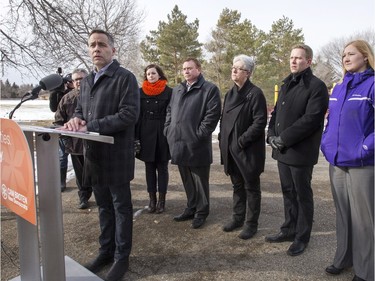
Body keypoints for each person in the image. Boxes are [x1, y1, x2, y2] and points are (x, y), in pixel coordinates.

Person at [62, 29, 139, 281]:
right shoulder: (86, 82)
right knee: (104, 207)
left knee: (120, 207)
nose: (96, 49)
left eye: (102, 45)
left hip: (116, 155)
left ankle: (121, 257)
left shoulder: (125, 78)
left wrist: (90, 126)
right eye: (92, 45)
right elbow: (82, 111)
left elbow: (129, 115)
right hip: (93, 155)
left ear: (112, 50)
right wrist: (75, 119)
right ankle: (105, 251)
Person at [265, 44, 329, 256]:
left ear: (308, 61)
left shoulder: (316, 86)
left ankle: (302, 237)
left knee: (302, 194)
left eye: (298, 58)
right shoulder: (286, 84)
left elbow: (311, 119)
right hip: (282, 150)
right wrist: (271, 134)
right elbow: (276, 113)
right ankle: (289, 228)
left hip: (300, 151)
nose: (293, 61)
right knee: (288, 192)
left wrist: (284, 138)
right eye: (292, 57)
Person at [320, 40, 374, 281]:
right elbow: (332, 121)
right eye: (343, 55)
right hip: (337, 161)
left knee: (364, 219)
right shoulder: (339, 87)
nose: (345, 58)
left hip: (363, 162)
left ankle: (366, 270)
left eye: (351, 54)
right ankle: (343, 258)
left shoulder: (373, 85)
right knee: (343, 213)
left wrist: (365, 148)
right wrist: (326, 141)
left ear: (365, 56)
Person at [164, 58, 221, 229]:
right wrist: (168, 129)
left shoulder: (209, 89)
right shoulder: (178, 89)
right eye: (184, 69)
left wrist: (198, 135)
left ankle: (202, 212)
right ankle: (191, 207)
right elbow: (169, 110)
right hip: (178, 142)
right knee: (187, 180)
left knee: (199, 181)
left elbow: (212, 115)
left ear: (199, 69)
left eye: (190, 68)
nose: (186, 71)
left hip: (197, 144)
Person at [219, 55, 267, 240]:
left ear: (247, 73)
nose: (234, 70)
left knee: (252, 188)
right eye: (233, 67)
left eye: (238, 68)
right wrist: (225, 142)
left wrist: (241, 141)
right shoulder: (230, 94)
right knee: (237, 186)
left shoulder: (255, 94)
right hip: (231, 150)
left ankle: (251, 224)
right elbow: (224, 120)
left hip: (247, 150)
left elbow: (259, 122)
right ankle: (237, 218)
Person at [135, 64, 172, 214]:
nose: (151, 76)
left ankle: (162, 201)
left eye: (153, 73)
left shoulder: (169, 92)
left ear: (159, 75)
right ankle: (152, 200)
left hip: (163, 133)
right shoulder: (139, 92)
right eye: (148, 74)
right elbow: (137, 115)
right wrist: (135, 136)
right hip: (146, 133)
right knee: (149, 167)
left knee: (162, 168)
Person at [54, 68, 92, 209]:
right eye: (75, 80)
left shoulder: (95, 96)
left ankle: (101, 196)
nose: (78, 82)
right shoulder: (67, 98)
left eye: (81, 79)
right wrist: (64, 137)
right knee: (80, 174)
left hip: (94, 143)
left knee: (95, 173)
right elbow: (58, 120)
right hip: (75, 144)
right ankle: (83, 197)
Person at [50, 72, 74, 192]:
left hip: (77, 130)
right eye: (68, 82)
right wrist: (55, 92)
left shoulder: (82, 93)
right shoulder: (61, 94)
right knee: (62, 157)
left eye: (72, 81)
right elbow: (53, 108)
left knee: (79, 158)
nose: (70, 84)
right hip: (62, 128)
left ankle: (85, 186)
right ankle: (61, 182)